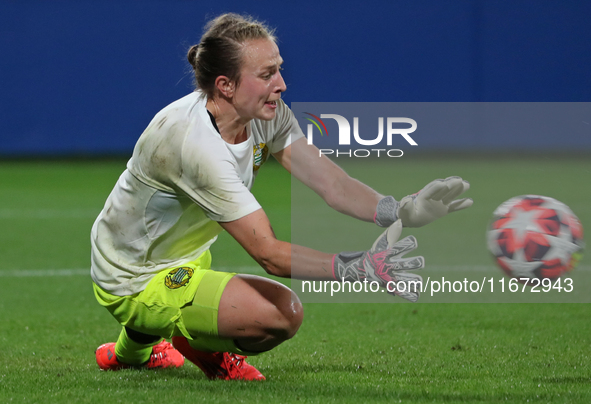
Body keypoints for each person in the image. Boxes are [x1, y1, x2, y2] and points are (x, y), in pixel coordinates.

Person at [91, 13, 472, 381]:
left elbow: (332, 184)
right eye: (267, 74)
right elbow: (269, 254)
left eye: (279, 68)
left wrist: (400, 209)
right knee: (279, 315)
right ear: (226, 85)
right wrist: (357, 267)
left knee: (190, 294)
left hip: (182, 256)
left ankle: (129, 353)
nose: (282, 84)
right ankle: (202, 347)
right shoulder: (194, 146)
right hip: (133, 277)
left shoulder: (263, 114)